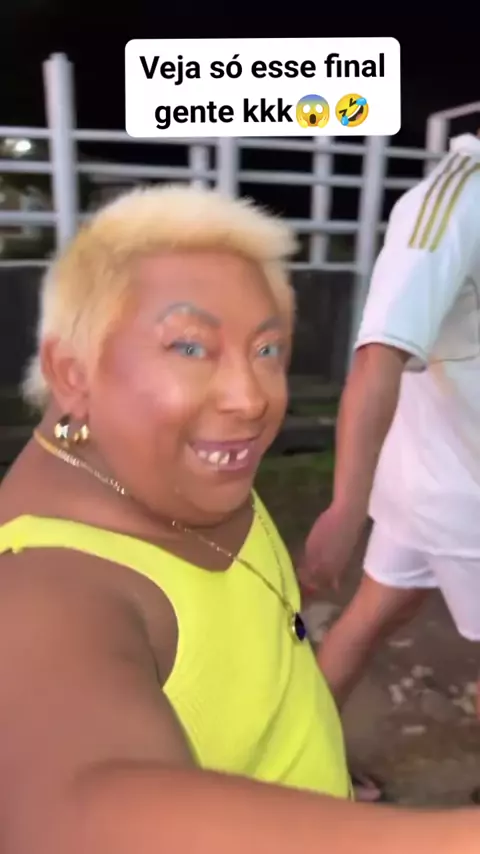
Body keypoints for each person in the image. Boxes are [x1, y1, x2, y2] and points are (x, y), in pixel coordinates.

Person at [0, 184, 477, 854]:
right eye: (190, 347)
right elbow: (69, 806)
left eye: (267, 350)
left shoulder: (166, 465)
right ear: (72, 373)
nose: (251, 398)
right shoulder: (46, 583)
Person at [303, 132, 480, 799]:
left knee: (374, 614)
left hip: (431, 480)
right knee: (372, 614)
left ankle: (297, 764)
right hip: (460, 492)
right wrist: (345, 509)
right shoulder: (453, 204)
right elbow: (377, 357)